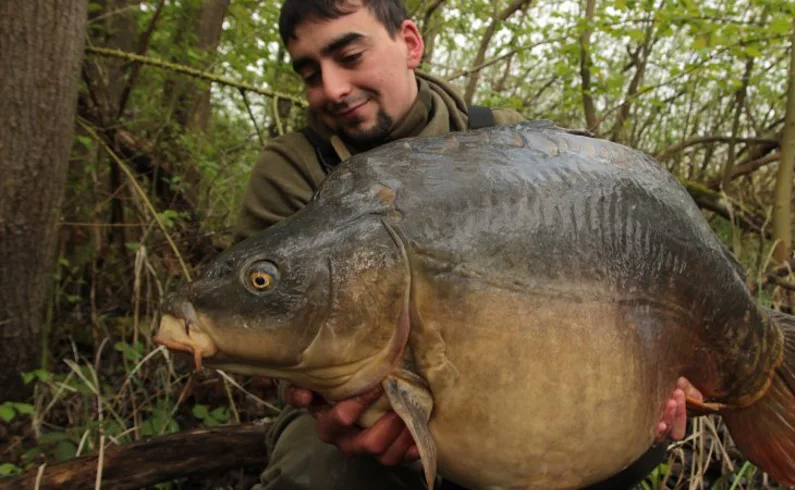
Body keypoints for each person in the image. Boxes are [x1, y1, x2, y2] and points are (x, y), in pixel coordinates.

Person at [233, 1, 704, 488]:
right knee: (317, 468)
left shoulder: (504, 141)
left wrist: (657, 364)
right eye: (310, 73)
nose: (332, 88)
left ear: (410, 44)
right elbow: (262, 328)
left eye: (349, 56)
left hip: (507, 375)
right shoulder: (291, 170)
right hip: (349, 405)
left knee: (627, 434)